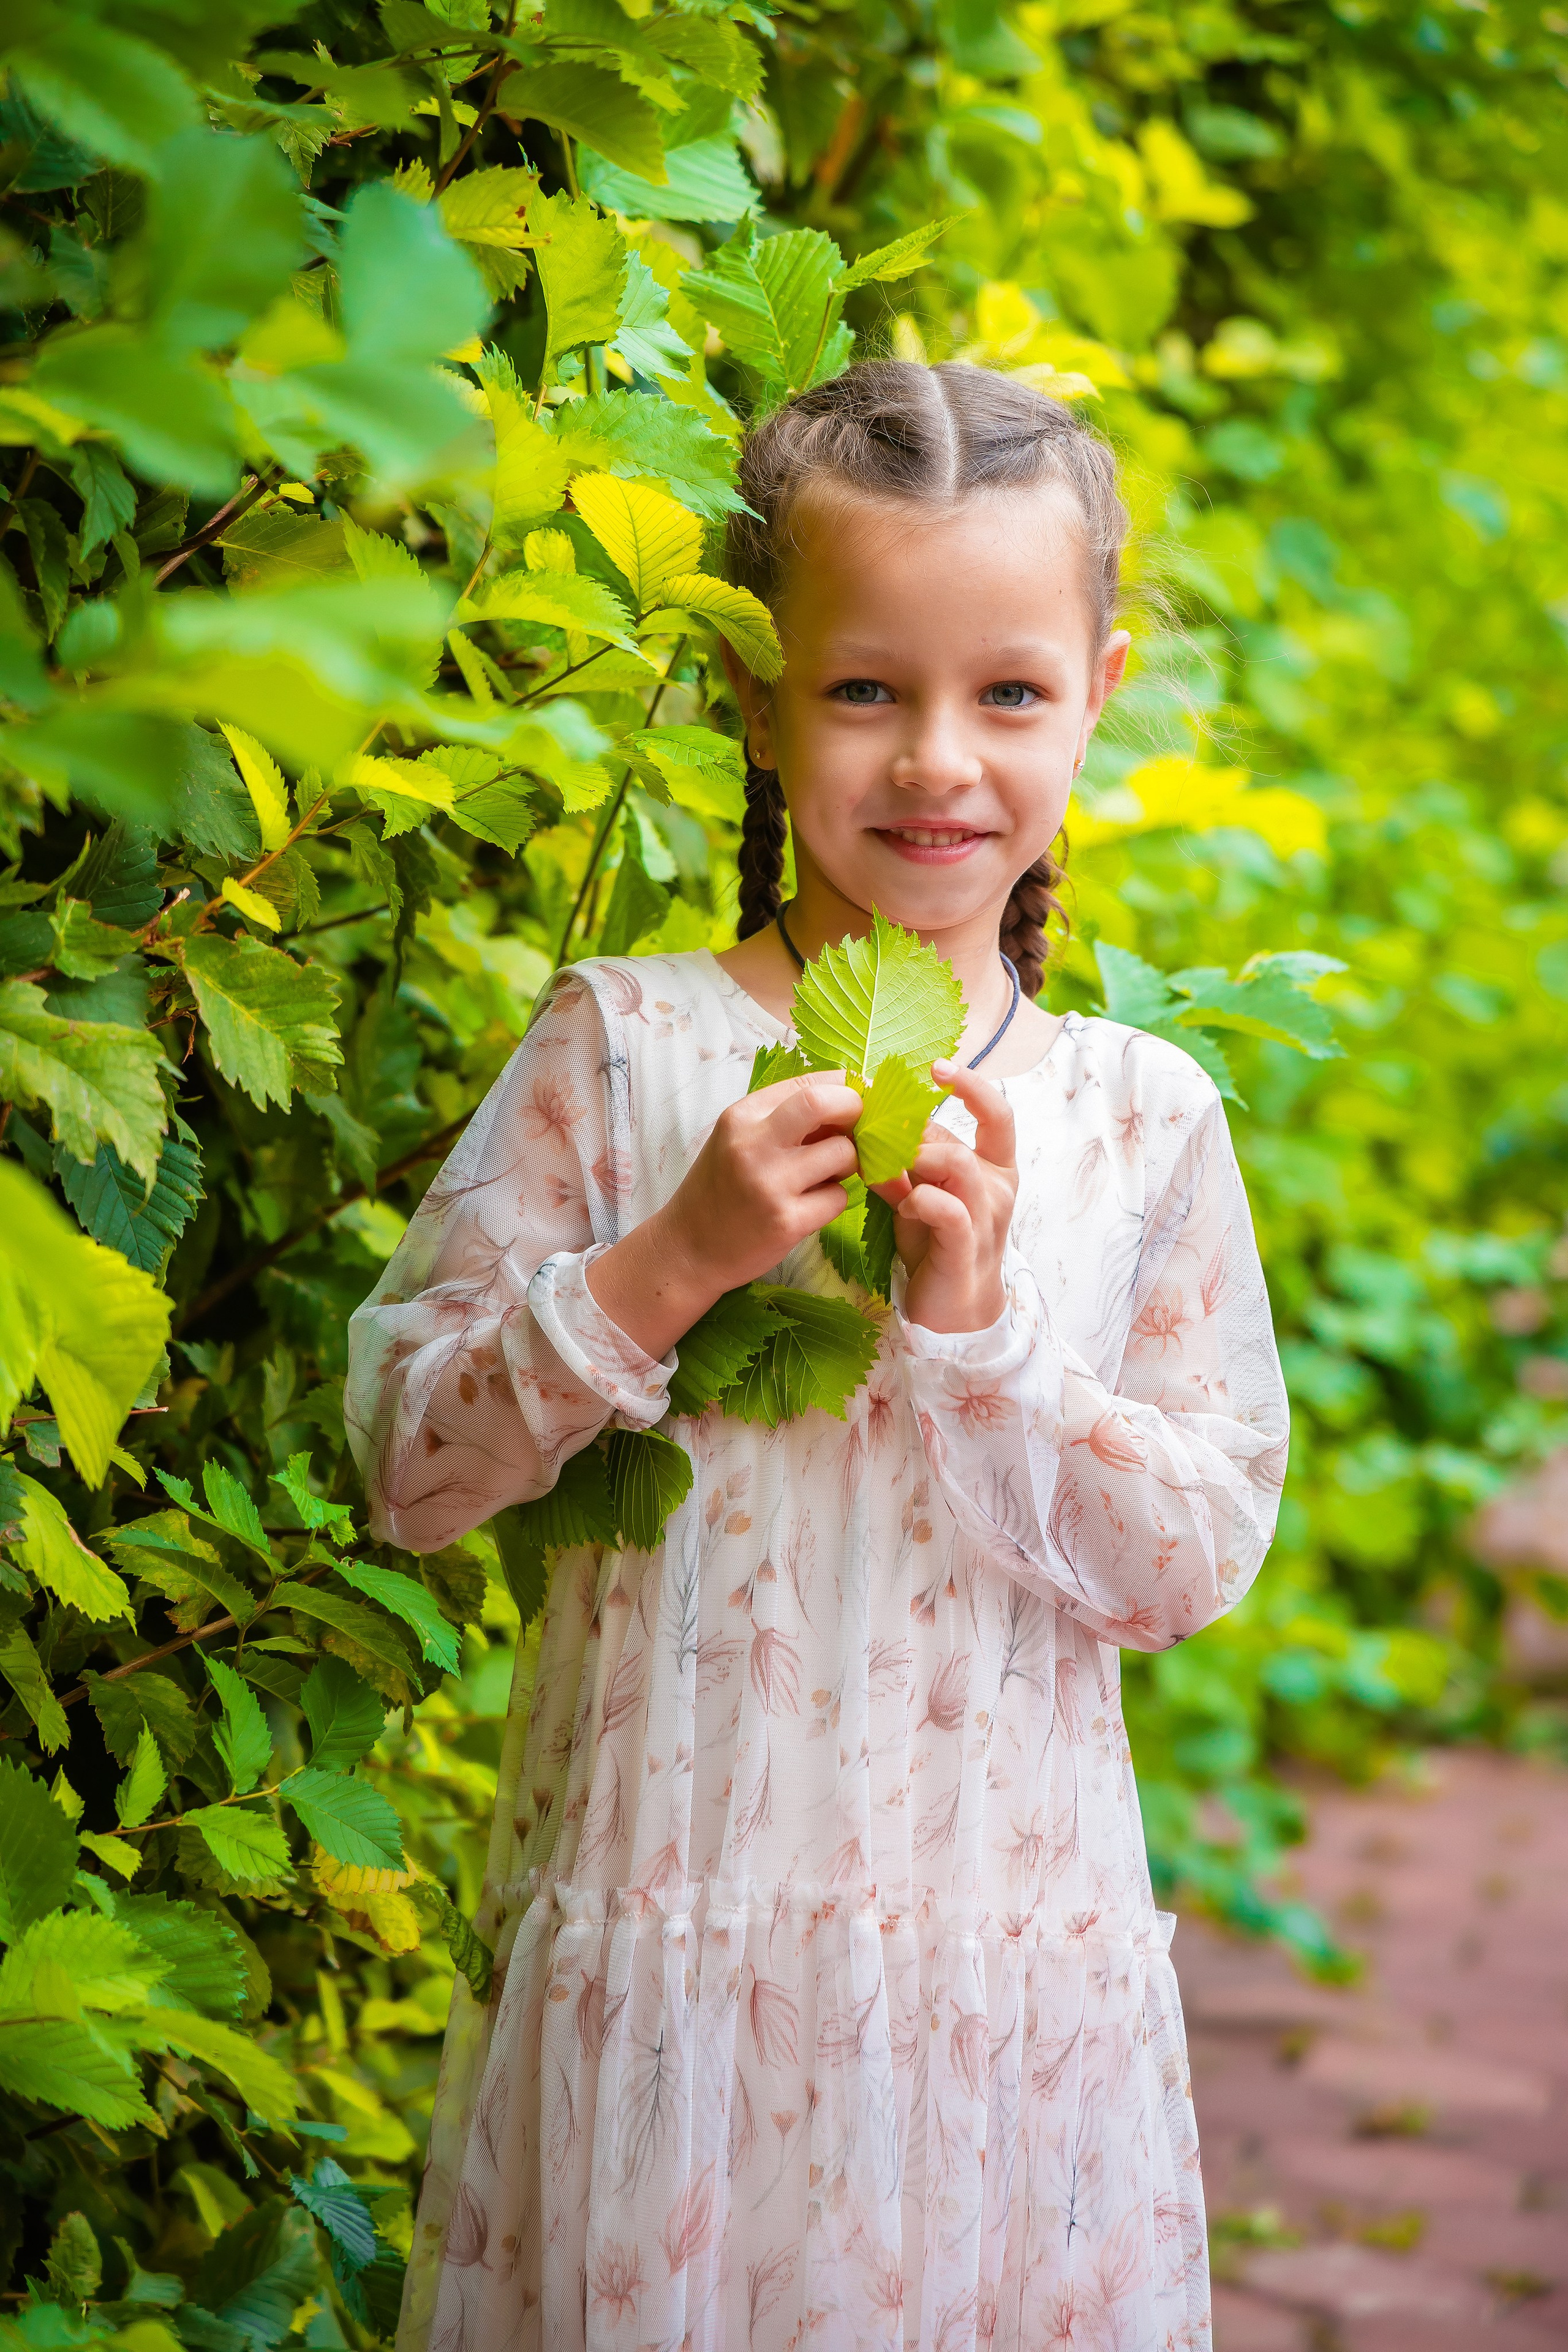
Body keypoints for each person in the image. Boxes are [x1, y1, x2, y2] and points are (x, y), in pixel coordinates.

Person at [345, 359, 1289, 2352]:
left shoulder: (1138, 1118)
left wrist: (989, 1340)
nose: (938, 760)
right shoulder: (625, 1046)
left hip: (997, 1994)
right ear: (760, 702)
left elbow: (1194, 1558)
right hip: (671, 1976)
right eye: (866, 689)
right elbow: (414, 1473)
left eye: (1008, 693)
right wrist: (665, 1263)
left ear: (1100, 692)